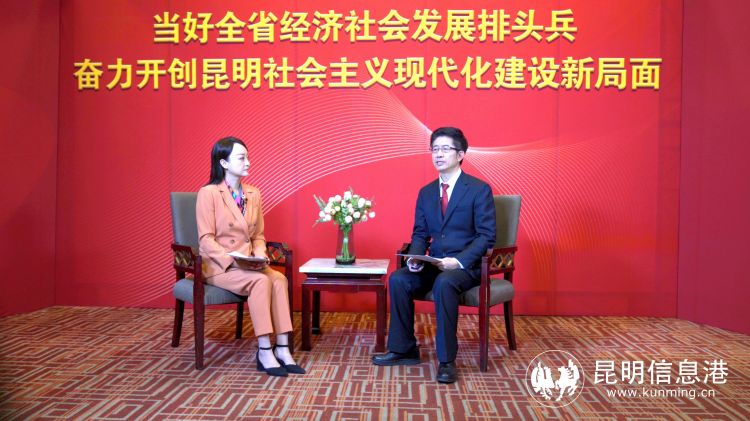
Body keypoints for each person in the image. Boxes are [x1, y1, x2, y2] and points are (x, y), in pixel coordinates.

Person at [372, 127, 496, 384]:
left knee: (444, 283)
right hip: (435, 263)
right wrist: (416, 258)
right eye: (435, 149)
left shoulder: (478, 189)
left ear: (460, 154)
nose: (438, 154)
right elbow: (420, 234)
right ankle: (404, 349)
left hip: (466, 266)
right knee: (399, 279)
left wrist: (458, 261)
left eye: (445, 149)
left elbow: (486, 236)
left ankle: (447, 360)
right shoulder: (426, 192)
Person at [196, 136, 305, 377]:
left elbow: (258, 236)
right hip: (220, 266)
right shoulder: (208, 193)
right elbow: (205, 239)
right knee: (261, 281)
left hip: (248, 263)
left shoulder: (253, 193)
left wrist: (260, 255)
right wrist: (232, 260)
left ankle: (283, 348)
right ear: (224, 163)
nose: (248, 162)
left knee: (279, 280)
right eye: (241, 158)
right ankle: (264, 350)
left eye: (248, 157)